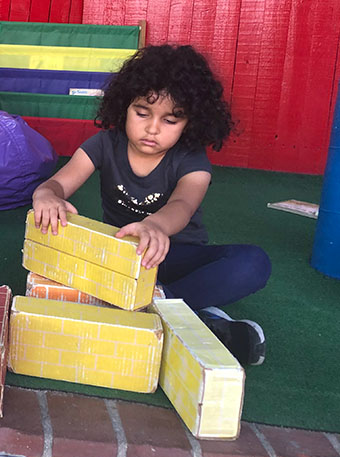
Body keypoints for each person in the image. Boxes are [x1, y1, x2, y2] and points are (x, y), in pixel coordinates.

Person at [31, 44, 270, 366]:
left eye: (170, 120)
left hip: (173, 255)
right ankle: (194, 318)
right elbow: (59, 183)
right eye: (142, 113)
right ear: (123, 106)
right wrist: (46, 194)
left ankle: (156, 303)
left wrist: (156, 226)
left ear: (190, 123)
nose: (153, 128)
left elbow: (184, 203)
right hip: (120, 258)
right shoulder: (103, 144)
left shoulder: (190, 159)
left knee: (253, 262)